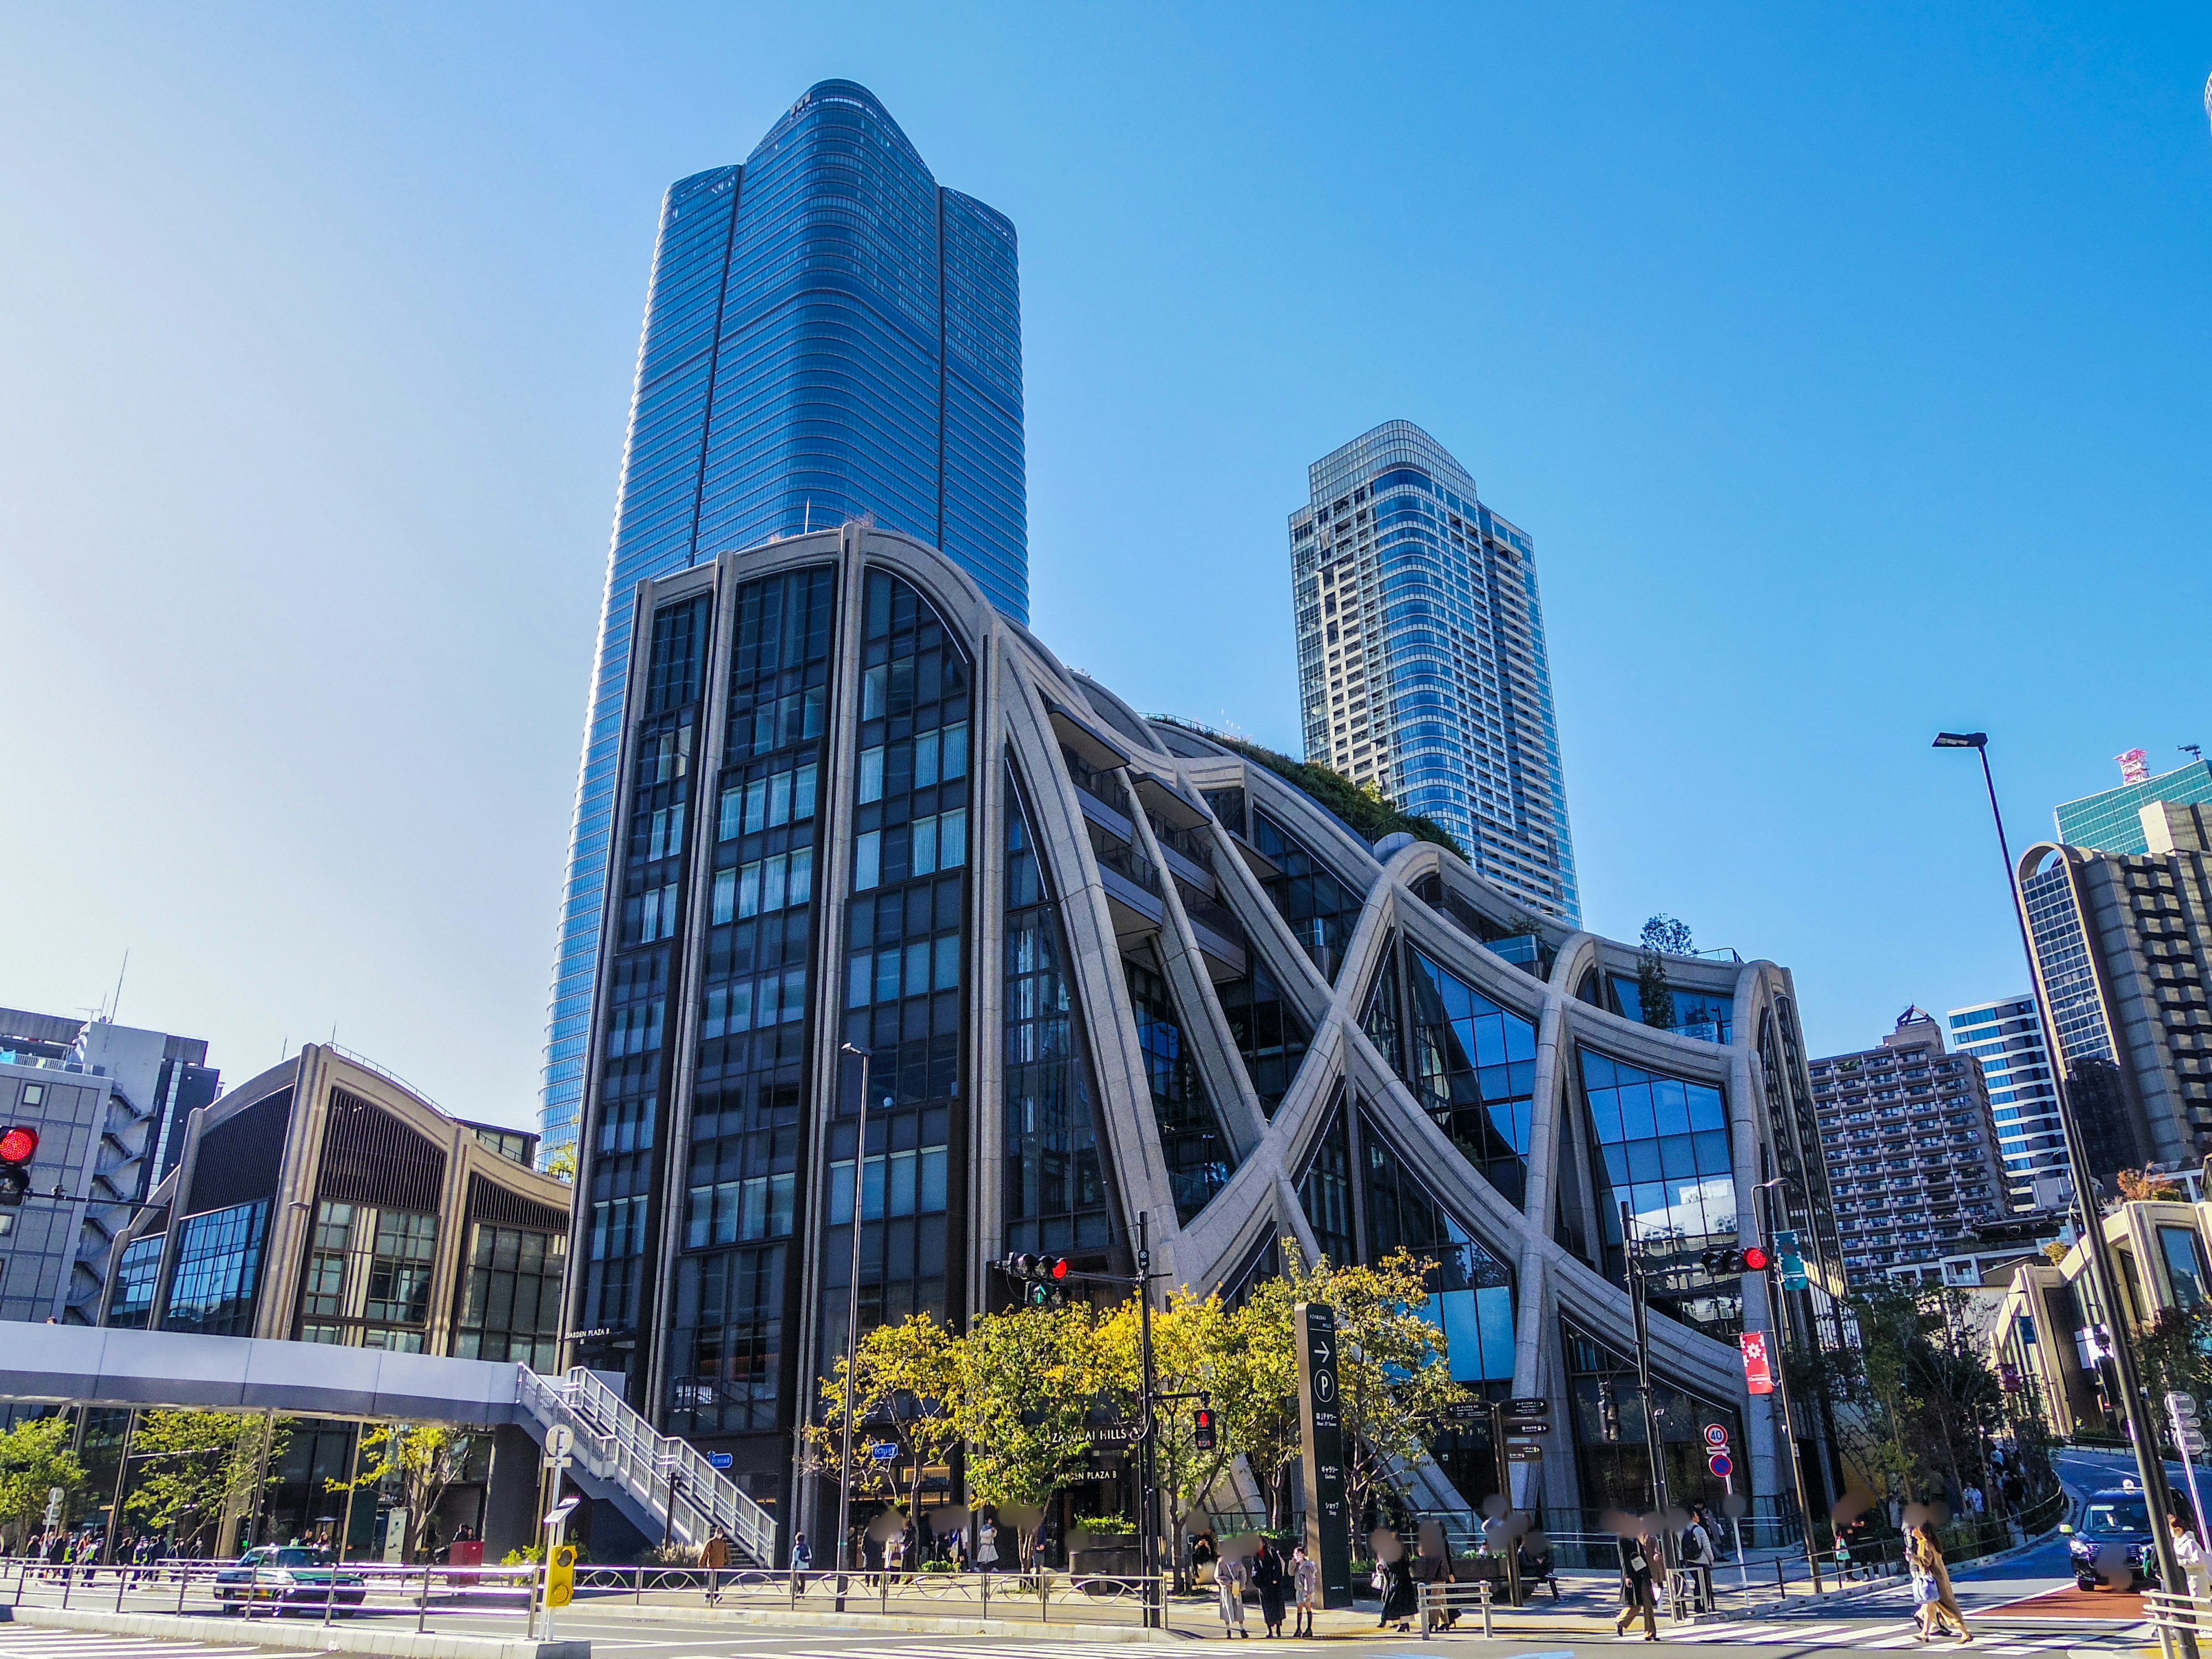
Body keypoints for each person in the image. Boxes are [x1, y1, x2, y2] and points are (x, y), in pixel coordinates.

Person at [1910, 1520, 1969, 1641]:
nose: (1912, 1531)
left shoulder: (1924, 1543)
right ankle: (1924, 1633)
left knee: (1948, 1608)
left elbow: (1926, 1561)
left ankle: (1965, 1633)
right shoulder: (1929, 1542)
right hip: (1937, 1579)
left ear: (1920, 1531)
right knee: (1929, 1608)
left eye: (1914, 1529)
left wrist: (1913, 1558)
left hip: (1935, 1582)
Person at [1614, 1529, 1657, 1641]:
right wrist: (1627, 1576)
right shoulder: (1622, 1536)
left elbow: (1641, 1555)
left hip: (1642, 1574)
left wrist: (1648, 1573)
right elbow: (1623, 1558)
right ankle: (1621, 1620)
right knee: (1636, 1606)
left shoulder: (1634, 1535)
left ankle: (1650, 1632)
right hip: (1633, 1576)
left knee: (1648, 1604)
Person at [2171, 1510, 2211, 1606]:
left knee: (2200, 1605)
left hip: (2197, 1579)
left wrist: (2180, 1562)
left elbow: (2199, 1561)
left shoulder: (2190, 1542)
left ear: (2179, 1529)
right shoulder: (2176, 1543)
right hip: (2187, 1578)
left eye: (2171, 1529)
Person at [1251, 1539, 1286, 1638]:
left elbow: (1277, 1565)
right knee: (1266, 1607)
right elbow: (1254, 1569)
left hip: (1274, 1583)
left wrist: (1275, 1578)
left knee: (1277, 1604)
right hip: (1264, 1585)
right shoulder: (1255, 1555)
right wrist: (1258, 1582)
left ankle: (1278, 1628)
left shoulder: (1271, 1551)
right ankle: (1269, 1629)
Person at [1378, 1549, 1416, 1633]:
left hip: (1397, 1579)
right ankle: (1404, 1623)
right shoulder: (1403, 1550)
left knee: (1395, 1600)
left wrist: (1385, 1566)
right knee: (1402, 1601)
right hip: (1403, 1579)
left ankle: (1402, 1624)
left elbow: (1392, 1565)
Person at [1217, 1546, 1249, 1638]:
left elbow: (1243, 1572)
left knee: (1238, 1607)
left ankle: (1242, 1629)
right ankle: (1228, 1630)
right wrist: (1227, 1582)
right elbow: (1218, 1576)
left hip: (1236, 1588)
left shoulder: (1237, 1563)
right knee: (1227, 1607)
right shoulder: (1221, 1562)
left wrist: (1241, 1584)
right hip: (1226, 1589)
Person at [1291, 1545, 1319, 1638]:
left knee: (1307, 1607)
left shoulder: (1306, 1566)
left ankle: (1309, 1629)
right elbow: (1290, 1573)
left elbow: (1309, 1580)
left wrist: (1309, 1593)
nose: (1296, 1556)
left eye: (1298, 1554)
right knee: (1299, 1608)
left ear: (1303, 1554)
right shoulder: (1297, 1565)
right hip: (1299, 1589)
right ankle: (1299, 1629)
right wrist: (1293, 1563)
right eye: (1295, 1554)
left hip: (1306, 1591)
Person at [700, 1528, 731, 1604]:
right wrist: (701, 1563)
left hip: (720, 1565)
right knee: (714, 1581)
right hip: (712, 1565)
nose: (720, 1534)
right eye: (718, 1532)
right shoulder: (711, 1542)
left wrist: (729, 1561)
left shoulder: (723, 1543)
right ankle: (716, 1596)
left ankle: (708, 1596)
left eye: (721, 1532)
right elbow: (704, 1553)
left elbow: (726, 1553)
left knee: (714, 1581)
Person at [790, 1530, 813, 1594]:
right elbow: (810, 1557)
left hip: (798, 1567)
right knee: (803, 1581)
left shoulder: (796, 1548)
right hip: (806, 1566)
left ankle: (798, 1589)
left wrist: (793, 1567)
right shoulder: (807, 1547)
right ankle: (802, 1593)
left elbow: (795, 1559)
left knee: (794, 1580)